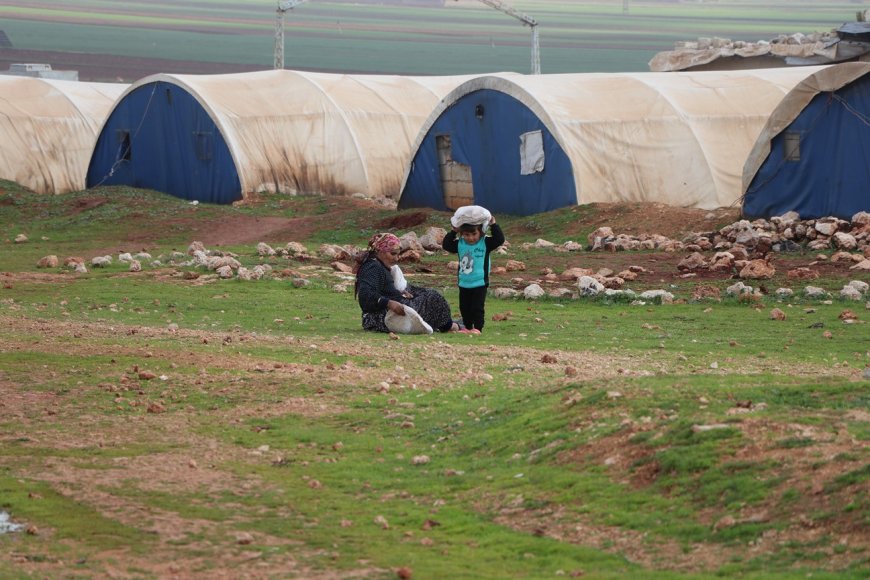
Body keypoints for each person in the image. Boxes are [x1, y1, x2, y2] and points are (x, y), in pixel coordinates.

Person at [354, 232, 457, 333]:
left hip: (385, 313)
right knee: (432, 298)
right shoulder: (373, 267)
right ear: (380, 251)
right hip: (380, 318)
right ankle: (450, 326)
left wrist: (400, 293)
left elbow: (383, 290)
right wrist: (389, 303)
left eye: (398, 254)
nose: (396, 258)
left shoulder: (379, 265)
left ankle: (448, 325)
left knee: (424, 293)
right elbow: (365, 294)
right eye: (393, 254)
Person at [441, 214, 505, 333]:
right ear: (462, 234)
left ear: (481, 231)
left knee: (477, 307)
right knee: (464, 307)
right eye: (466, 235)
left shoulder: (485, 243)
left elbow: (499, 239)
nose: (470, 238)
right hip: (464, 283)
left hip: (480, 283)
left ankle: (477, 328)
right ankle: (468, 327)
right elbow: (446, 245)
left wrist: (493, 224)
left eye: (474, 234)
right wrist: (453, 231)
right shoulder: (460, 244)